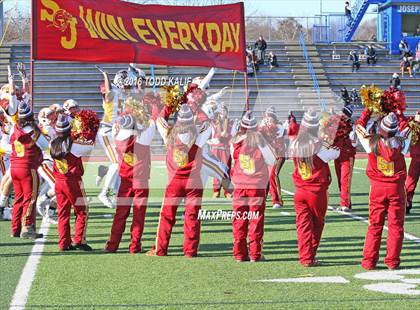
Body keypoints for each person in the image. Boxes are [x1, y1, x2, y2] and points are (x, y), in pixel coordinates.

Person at [147, 104, 211, 257]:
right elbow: (207, 123)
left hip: (174, 182)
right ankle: (190, 251)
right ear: (191, 121)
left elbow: (160, 119)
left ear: (177, 120)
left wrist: (170, 103)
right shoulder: (199, 135)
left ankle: (161, 249)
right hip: (194, 182)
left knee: (167, 216)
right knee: (193, 216)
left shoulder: (168, 133)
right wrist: (195, 106)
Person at [356, 111, 411, 270]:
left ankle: (369, 261)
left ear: (381, 128)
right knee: (396, 226)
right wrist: (399, 113)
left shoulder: (371, 142)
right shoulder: (402, 141)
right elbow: (407, 128)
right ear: (395, 130)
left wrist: (367, 111)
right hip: (396, 189)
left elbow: (359, 126)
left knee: (374, 225)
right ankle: (392, 262)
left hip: (377, 189)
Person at [289, 110, 340, 267]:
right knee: (317, 224)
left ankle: (305, 257)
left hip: (299, 191)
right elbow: (336, 153)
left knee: (303, 226)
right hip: (316, 192)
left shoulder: (295, 143)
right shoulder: (319, 146)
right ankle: (310, 256)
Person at [105, 112, 156, 253]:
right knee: (139, 215)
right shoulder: (142, 138)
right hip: (141, 181)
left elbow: (116, 127)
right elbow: (152, 122)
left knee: (120, 214)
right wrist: (142, 113)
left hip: (125, 181)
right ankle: (134, 245)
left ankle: (112, 245)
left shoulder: (116, 137)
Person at [230, 111, 275, 262]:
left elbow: (233, 159)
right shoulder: (260, 141)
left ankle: (239, 253)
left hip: (240, 185)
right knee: (256, 220)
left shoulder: (235, 141)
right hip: (256, 186)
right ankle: (255, 254)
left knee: (239, 219)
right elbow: (272, 160)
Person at [50, 114, 96, 251]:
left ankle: (63, 243)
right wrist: (89, 130)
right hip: (72, 181)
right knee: (82, 210)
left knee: (63, 212)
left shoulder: (53, 142)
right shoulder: (75, 146)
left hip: (58, 181)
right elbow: (91, 145)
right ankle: (79, 240)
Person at [10, 102, 48, 239]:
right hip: (28, 168)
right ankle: (27, 227)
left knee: (18, 198)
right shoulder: (33, 132)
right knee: (30, 198)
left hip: (14, 167)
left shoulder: (14, 128)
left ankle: (15, 228)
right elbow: (46, 146)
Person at [258, 106, 286, 209]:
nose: (268, 118)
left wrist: (267, 130)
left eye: (271, 116)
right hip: (268, 155)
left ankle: (277, 201)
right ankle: (262, 198)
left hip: (278, 155)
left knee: (273, 175)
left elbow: (275, 138)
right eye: (267, 116)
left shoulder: (279, 126)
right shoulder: (262, 124)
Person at [334, 105, 357, 211]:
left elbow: (354, 143)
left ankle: (345, 204)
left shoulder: (351, 125)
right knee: (340, 179)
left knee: (345, 180)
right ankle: (346, 202)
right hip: (338, 154)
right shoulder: (336, 122)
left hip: (347, 155)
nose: (342, 115)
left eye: (344, 114)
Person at [208, 105, 233, 198]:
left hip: (226, 149)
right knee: (216, 170)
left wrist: (227, 135)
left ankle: (228, 191)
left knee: (226, 171)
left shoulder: (231, 122)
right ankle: (216, 190)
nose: (222, 111)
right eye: (221, 110)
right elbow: (208, 135)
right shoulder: (213, 122)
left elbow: (233, 136)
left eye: (224, 110)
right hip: (216, 149)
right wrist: (212, 141)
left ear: (227, 111)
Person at [405, 111, 420, 214]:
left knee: (411, 181)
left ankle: (407, 203)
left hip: (416, 156)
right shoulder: (414, 124)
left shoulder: (414, 124)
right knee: (410, 182)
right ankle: (406, 203)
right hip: (416, 157)